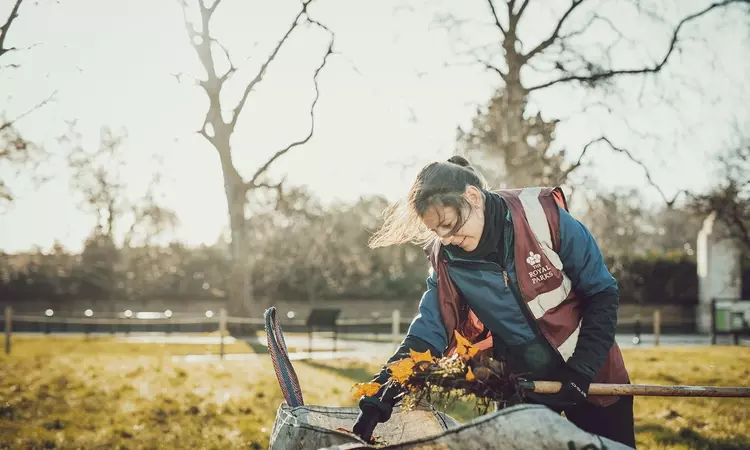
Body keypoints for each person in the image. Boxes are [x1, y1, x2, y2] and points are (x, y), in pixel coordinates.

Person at [352, 156, 636, 448]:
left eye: (450, 224)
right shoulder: (447, 262)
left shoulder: (542, 215)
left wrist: (582, 371)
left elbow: (602, 293)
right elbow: (427, 332)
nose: (447, 239)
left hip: (594, 374)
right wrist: (384, 386)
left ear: (473, 197)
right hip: (523, 384)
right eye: (437, 232)